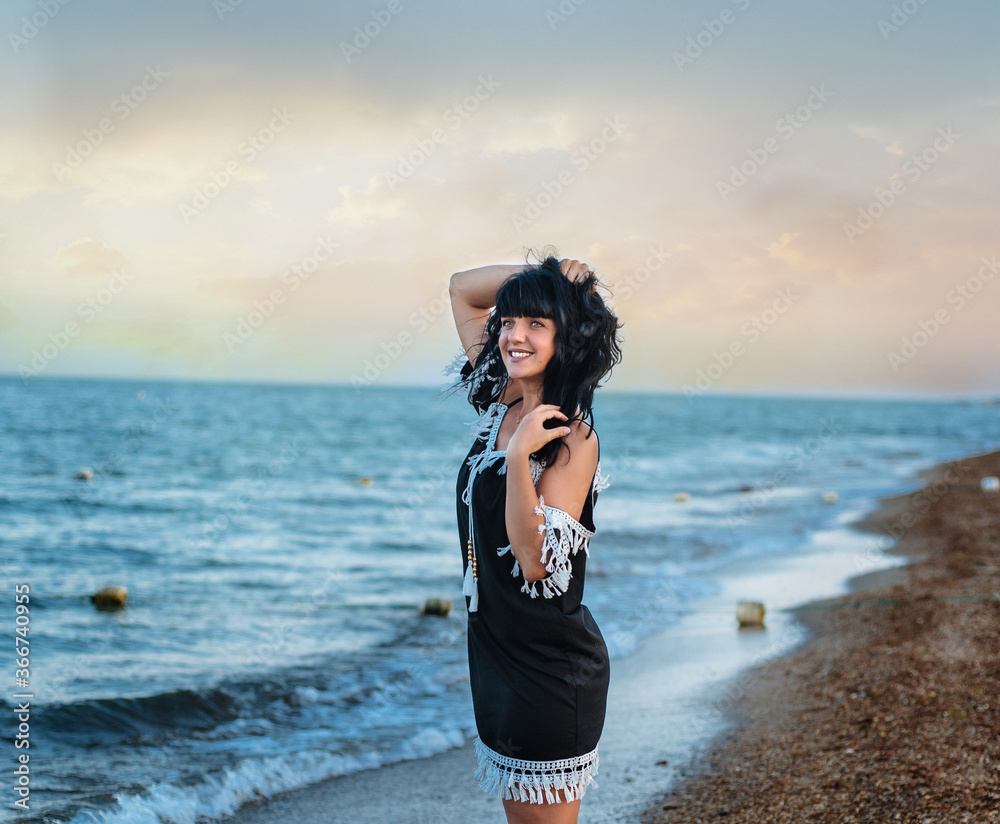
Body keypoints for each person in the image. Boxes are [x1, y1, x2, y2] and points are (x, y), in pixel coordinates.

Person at [449, 255, 622, 824]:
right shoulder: (506, 397)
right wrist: (547, 274)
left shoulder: (573, 438)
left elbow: (533, 563)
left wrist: (521, 455)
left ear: (566, 338)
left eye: (536, 324)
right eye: (508, 321)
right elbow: (462, 290)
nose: (512, 336)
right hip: (497, 654)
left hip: (550, 669)